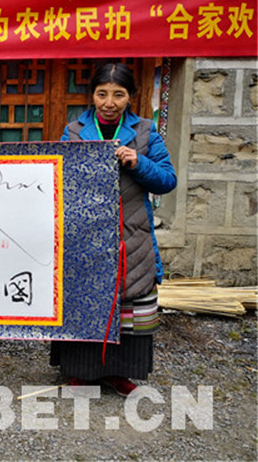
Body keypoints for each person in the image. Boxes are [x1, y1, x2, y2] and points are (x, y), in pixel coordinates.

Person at [51, 62, 177, 396]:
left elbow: (167, 180)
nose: (109, 103)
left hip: (132, 237)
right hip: (86, 236)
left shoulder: (146, 132)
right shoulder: (74, 131)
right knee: (86, 302)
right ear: (92, 95)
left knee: (129, 306)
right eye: (102, 94)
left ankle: (120, 374)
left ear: (130, 96)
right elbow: (60, 177)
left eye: (118, 94)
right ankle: (81, 374)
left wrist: (139, 162)